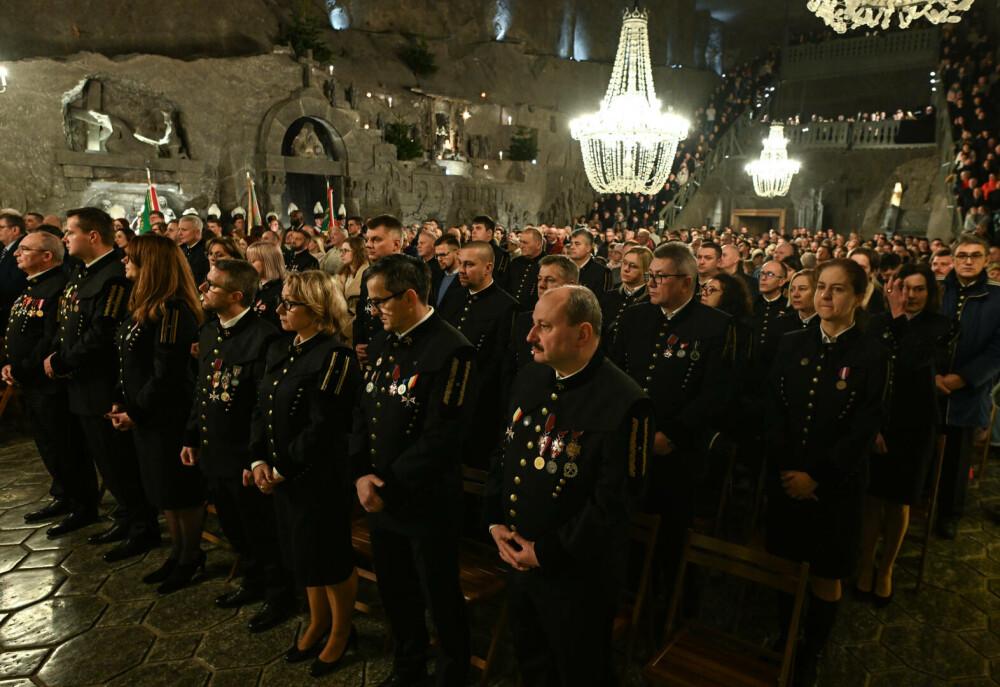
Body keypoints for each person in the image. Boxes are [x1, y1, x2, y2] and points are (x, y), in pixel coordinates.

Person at [484, 285, 654, 687]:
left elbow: (615, 502)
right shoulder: (531, 377)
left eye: (544, 326)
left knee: (579, 671)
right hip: (519, 556)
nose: (530, 336)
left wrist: (548, 551)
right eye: (532, 325)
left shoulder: (626, 402)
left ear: (582, 334)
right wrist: (494, 520)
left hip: (576, 575)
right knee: (531, 662)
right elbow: (505, 453)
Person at [351, 254, 478, 687]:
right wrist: (361, 474)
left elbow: (443, 437)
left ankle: (450, 676)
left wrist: (388, 485)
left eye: (380, 301)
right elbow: (364, 411)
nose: (374, 310)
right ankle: (407, 668)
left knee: (439, 599)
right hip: (380, 497)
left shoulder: (453, 350)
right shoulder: (387, 339)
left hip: (425, 503)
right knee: (397, 594)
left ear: (409, 297)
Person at [764, 258, 889, 686]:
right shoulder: (792, 342)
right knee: (785, 563)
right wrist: (786, 468)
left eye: (837, 290)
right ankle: (784, 635)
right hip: (787, 477)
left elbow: (863, 426)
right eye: (821, 287)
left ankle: (811, 650)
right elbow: (774, 408)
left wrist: (817, 477)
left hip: (835, 486)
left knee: (825, 573)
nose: (825, 296)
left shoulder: (872, 354)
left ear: (858, 297)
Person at [609, 241, 734, 621]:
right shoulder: (634, 316)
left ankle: (672, 611)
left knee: (671, 538)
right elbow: (614, 373)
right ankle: (627, 603)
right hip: (630, 442)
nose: (651, 283)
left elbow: (715, 393)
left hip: (677, 452)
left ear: (686, 282)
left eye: (660, 277)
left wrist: (672, 435)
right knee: (626, 529)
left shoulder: (714, 325)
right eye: (651, 276)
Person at [250, 270, 361, 677]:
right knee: (303, 554)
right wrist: (258, 460)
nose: (280, 309)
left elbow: (324, 426)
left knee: (328, 555)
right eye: (283, 301)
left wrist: (282, 467)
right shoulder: (283, 348)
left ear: (316, 310)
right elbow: (260, 407)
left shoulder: (335, 356)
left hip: (317, 476)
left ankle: (342, 631)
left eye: (291, 303)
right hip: (283, 473)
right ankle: (318, 621)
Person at [182, 259, 293, 630]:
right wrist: (192, 435)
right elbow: (203, 390)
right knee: (234, 526)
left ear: (235, 295)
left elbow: (265, 405)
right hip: (215, 449)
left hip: (244, 455)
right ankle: (253, 578)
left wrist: (255, 455)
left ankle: (279, 594)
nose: (203, 289)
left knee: (260, 529)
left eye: (211, 285)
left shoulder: (265, 338)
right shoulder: (210, 331)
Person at [44, 207, 159, 563]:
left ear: (92, 236)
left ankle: (142, 526)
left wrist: (63, 361)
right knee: (105, 461)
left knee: (118, 461)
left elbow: (103, 334)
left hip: (103, 384)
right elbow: (69, 323)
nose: (65, 239)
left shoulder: (113, 276)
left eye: (70, 232)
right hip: (82, 385)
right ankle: (126, 516)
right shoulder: (83, 273)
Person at [110, 234, 206, 593]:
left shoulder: (173, 310)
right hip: (145, 414)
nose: (125, 262)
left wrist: (135, 411)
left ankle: (189, 556)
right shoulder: (145, 306)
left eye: (131, 258)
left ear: (151, 265)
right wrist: (121, 400)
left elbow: (166, 373)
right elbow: (130, 363)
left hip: (168, 415)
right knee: (162, 490)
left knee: (181, 491)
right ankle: (177, 553)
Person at [859, 262, 959, 605]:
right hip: (880, 419)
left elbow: (916, 359)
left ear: (929, 293)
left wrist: (899, 317)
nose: (911, 295)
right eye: (905, 288)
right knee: (872, 500)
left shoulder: (945, 326)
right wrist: (873, 425)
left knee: (899, 501)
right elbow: (870, 372)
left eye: (918, 289)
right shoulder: (877, 322)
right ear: (894, 288)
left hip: (915, 424)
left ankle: (886, 568)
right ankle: (866, 563)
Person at [2, 231, 99, 536]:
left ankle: (83, 505)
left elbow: (49, 339)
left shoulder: (59, 286)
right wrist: (9, 364)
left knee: (65, 445)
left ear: (46, 256)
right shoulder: (32, 285)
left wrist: (23, 369)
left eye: (25, 250)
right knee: (47, 444)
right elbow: (18, 329)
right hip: (30, 380)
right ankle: (64, 494)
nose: (17, 254)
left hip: (48, 382)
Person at [936, 233, 1000, 539]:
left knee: (957, 461)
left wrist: (962, 378)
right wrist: (931, 375)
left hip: (969, 393)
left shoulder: (997, 297)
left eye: (975, 255)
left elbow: (997, 351)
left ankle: (949, 513)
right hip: (931, 388)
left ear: (987, 260)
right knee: (924, 452)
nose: (968, 261)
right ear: (954, 258)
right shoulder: (936, 290)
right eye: (962, 255)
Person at [439, 241, 517, 468]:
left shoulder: (507, 307)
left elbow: (500, 362)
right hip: (444, 397)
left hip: (479, 404)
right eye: (460, 263)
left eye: (469, 265)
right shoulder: (453, 297)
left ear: (488, 267)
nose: (461, 270)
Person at [505, 256, 579, 383]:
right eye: (539, 279)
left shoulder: (578, 325)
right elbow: (509, 368)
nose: (541, 285)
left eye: (549, 280)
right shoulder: (523, 319)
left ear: (570, 285)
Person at [353, 215, 404, 366]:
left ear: (396, 244)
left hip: (394, 355)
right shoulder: (368, 273)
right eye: (367, 239)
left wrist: (376, 347)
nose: (368, 245)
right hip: (367, 352)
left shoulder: (409, 275)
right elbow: (362, 311)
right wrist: (358, 344)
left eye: (376, 240)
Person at [598, 245, 651, 343]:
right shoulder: (609, 296)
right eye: (624, 263)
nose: (626, 269)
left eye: (633, 266)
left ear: (646, 271)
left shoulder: (650, 301)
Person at [334, 235, 369, 348]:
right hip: (338, 322)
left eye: (345, 251)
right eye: (341, 250)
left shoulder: (368, 274)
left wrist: (346, 331)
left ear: (357, 251)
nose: (341, 254)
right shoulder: (341, 274)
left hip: (355, 327)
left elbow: (363, 309)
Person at [503, 228, 545, 312]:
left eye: (525, 243)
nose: (521, 246)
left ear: (538, 244)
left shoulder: (548, 264)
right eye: (521, 242)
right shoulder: (516, 262)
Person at [246, 242, 285, 329]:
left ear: (268, 262)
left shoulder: (282, 290)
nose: (249, 265)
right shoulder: (251, 285)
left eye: (253, 261)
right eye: (248, 261)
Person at [0, 212, 28, 326]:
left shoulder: (23, 248)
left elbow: (14, 281)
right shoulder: (5, 248)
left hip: (10, 310)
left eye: (1, 227)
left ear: (15, 229)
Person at [566, 229, 610, 296]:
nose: (572, 247)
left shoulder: (602, 272)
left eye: (577, 244)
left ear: (588, 248)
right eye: (571, 243)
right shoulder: (564, 269)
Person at [470, 215, 510, 283]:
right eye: (473, 228)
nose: (473, 231)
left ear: (489, 232)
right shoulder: (467, 250)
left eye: (478, 228)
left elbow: (500, 281)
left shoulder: (501, 255)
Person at [178, 214, 210, 286]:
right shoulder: (179, 250)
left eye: (184, 230)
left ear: (197, 232)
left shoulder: (208, 251)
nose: (179, 233)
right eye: (179, 229)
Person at [431, 235, 462, 307]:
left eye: (443, 255)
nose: (439, 259)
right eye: (437, 255)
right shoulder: (435, 275)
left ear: (457, 253)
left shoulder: (466, 278)